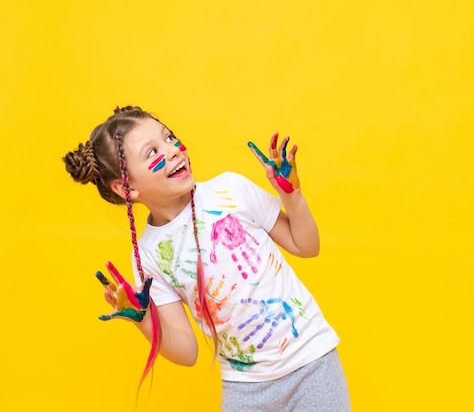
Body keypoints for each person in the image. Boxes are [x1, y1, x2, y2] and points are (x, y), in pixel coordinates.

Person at [62, 105, 351, 411]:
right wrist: (143, 319)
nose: (174, 150)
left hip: (312, 363)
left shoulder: (231, 189)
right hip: (245, 390)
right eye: (152, 152)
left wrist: (292, 195)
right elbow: (186, 352)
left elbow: (306, 246)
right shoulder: (146, 257)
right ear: (126, 187)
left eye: (170, 138)